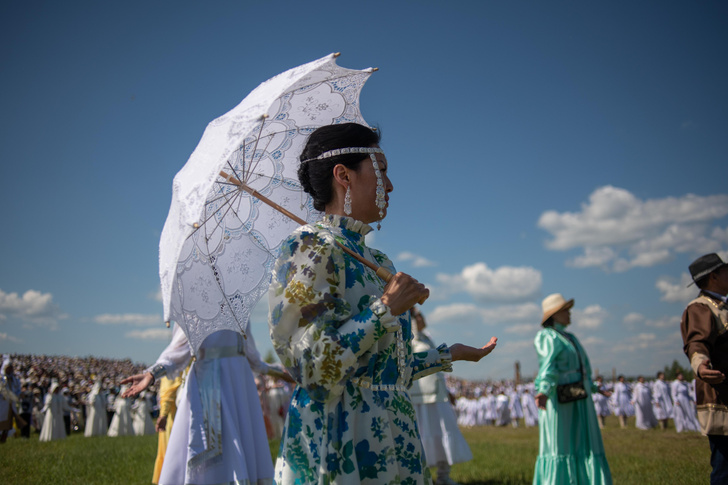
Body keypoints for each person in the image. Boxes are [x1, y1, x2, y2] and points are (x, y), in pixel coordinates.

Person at [268, 123, 498, 484]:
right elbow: (311, 371)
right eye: (382, 171)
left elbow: (387, 374)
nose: (390, 186)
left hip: (392, 434)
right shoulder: (308, 248)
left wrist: (447, 355)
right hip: (340, 439)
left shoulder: (378, 262)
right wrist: (385, 310)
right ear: (343, 175)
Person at [122, 322, 289, 485]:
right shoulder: (193, 308)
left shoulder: (238, 307)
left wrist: (284, 373)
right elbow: (177, 352)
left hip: (239, 385)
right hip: (208, 382)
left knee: (239, 440)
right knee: (208, 448)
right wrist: (152, 374)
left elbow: (254, 358)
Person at [533, 293, 612, 485]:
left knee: (583, 439)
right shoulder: (548, 336)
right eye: (565, 311)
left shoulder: (570, 337)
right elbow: (548, 365)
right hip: (559, 397)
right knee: (562, 443)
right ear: (555, 314)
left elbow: (581, 368)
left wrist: (593, 387)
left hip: (578, 395)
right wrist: (543, 389)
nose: (570, 314)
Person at [409, 306, 473, 485]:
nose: (422, 318)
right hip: (420, 397)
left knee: (444, 433)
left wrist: (447, 391)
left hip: (437, 395)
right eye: (418, 316)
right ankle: (423, 479)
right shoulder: (409, 340)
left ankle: (444, 477)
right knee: (423, 437)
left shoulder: (427, 338)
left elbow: (437, 367)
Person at [679, 253, 728, 483]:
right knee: (724, 468)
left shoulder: (722, 306)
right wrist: (700, 366)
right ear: (714, 276)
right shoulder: (700, 307)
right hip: (722, 397)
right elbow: (696, 343)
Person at [152, 373, 184, 484]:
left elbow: (167, 391)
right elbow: (168, 392)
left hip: (175, 415)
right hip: (172, 416)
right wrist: (164, 414)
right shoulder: (178, 365)